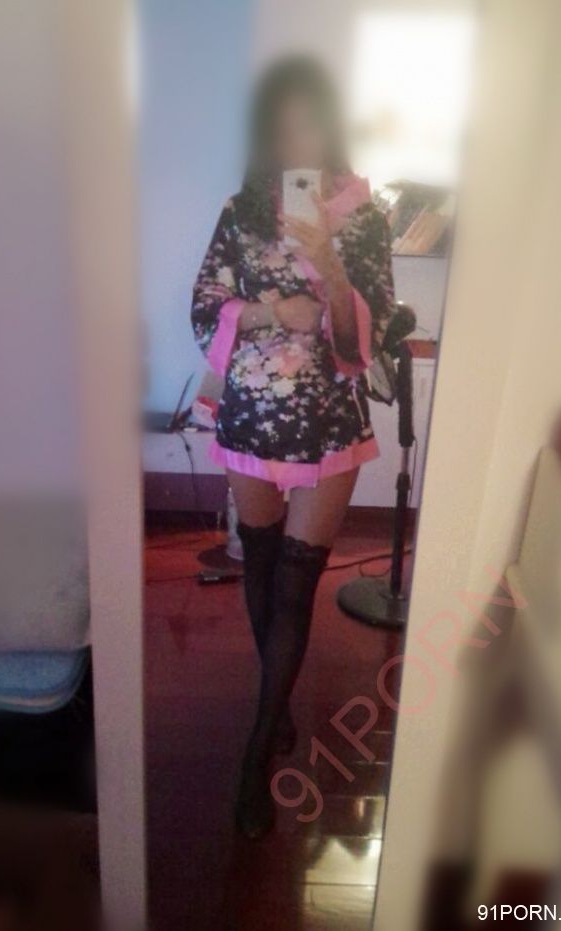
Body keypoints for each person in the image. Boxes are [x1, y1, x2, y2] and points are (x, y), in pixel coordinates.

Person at [191, 56, 394, 838]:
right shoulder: (240, 210)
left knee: (298, 584)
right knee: (262, 569)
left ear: (329, 125)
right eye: (282, 125)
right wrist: (273, 311)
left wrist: (331, 265)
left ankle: (256, 753)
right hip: (249, 414)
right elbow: (204, 309)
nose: (295, 139)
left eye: (308, 122)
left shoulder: (364, 216)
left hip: (327, 420)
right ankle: (274, 709)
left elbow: (369, 334)